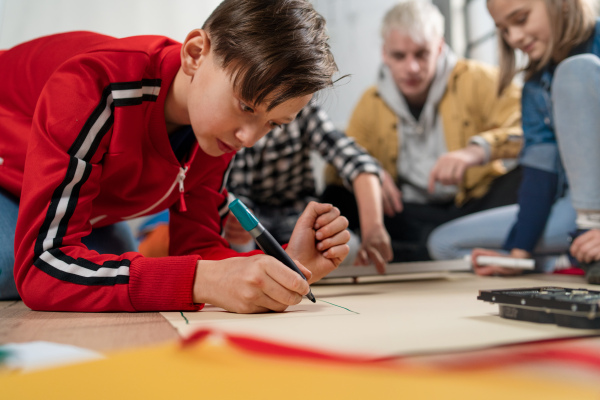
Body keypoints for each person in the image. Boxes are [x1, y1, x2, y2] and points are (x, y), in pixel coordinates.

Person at [0, 0, 352, 312]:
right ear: (196, 53)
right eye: (245, 105)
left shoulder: (216, 133)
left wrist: (287, 264)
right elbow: (41, 267)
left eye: (272, 124)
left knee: (114, 263)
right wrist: (201, 280)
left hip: (83, 209)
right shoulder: (96, 87)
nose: (248, 138)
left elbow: (199, 251)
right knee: (14, 269)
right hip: (9, 180)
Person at [321, 0, 523, 262]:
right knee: (338, 197)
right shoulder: (370, 104)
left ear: (439, 48)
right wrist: (371, 174)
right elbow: (338, 166)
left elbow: (528, 127)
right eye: (399, 56)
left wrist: (475, 152)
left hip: (475, 207)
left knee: (530, 174)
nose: (412, 67)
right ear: (384, 54)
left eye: (421, 54)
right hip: (410, 213)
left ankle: (422, 249)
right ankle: (434, 246)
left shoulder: (481, 80)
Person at [428, 0, 600, 284]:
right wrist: (518, 253)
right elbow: (539, 175)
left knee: (576, 71)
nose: (514, 38)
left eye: (520, 19)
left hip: (591, 218)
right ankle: (565, 253)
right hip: (576, 210)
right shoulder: (534, 86)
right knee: (443, 244)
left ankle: (587, 238)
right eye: (504, 29)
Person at [138, 101, 393, 272]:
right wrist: (232, 228)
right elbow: (215, 197)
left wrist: (374, 228)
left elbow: (353, 159)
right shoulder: (221, 115)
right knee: (237, 254)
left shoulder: (303, 110)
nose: (249, 138)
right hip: (242, 225)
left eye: (276, 122)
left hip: (295, 219)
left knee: (350, 248)